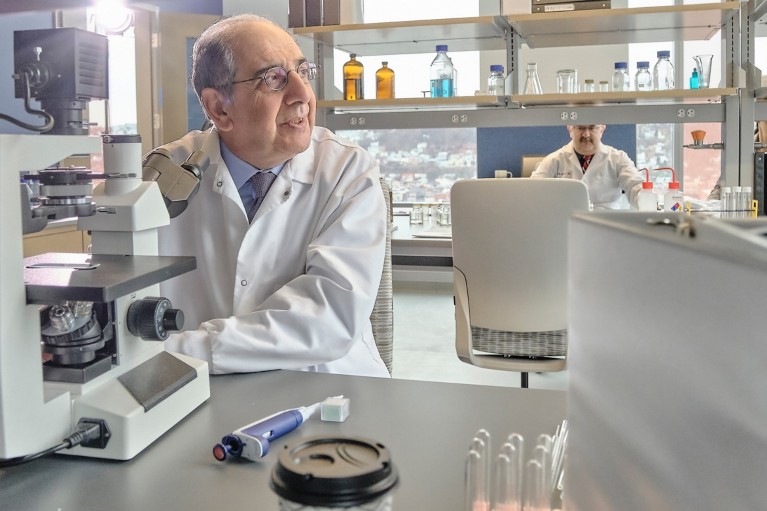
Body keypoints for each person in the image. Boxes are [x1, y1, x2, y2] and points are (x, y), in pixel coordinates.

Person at [154, 14, 390, 378]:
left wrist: (180, 350)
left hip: (327, 387)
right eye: (273, 79)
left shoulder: (348, 170)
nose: (303, 96)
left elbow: (328, 321)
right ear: (219, 108)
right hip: (196, 391)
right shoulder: (163, 174)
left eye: (303, 72)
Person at [530, 124, 645, 209]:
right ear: (570, 129)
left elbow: (636, 187)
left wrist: (649, 203)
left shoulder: (618, 158)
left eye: (592, 128)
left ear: (602, 129)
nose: (586, 134)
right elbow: (532, 191)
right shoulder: (554, 160)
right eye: (580, 127)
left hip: (607, 227)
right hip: (567, 226)